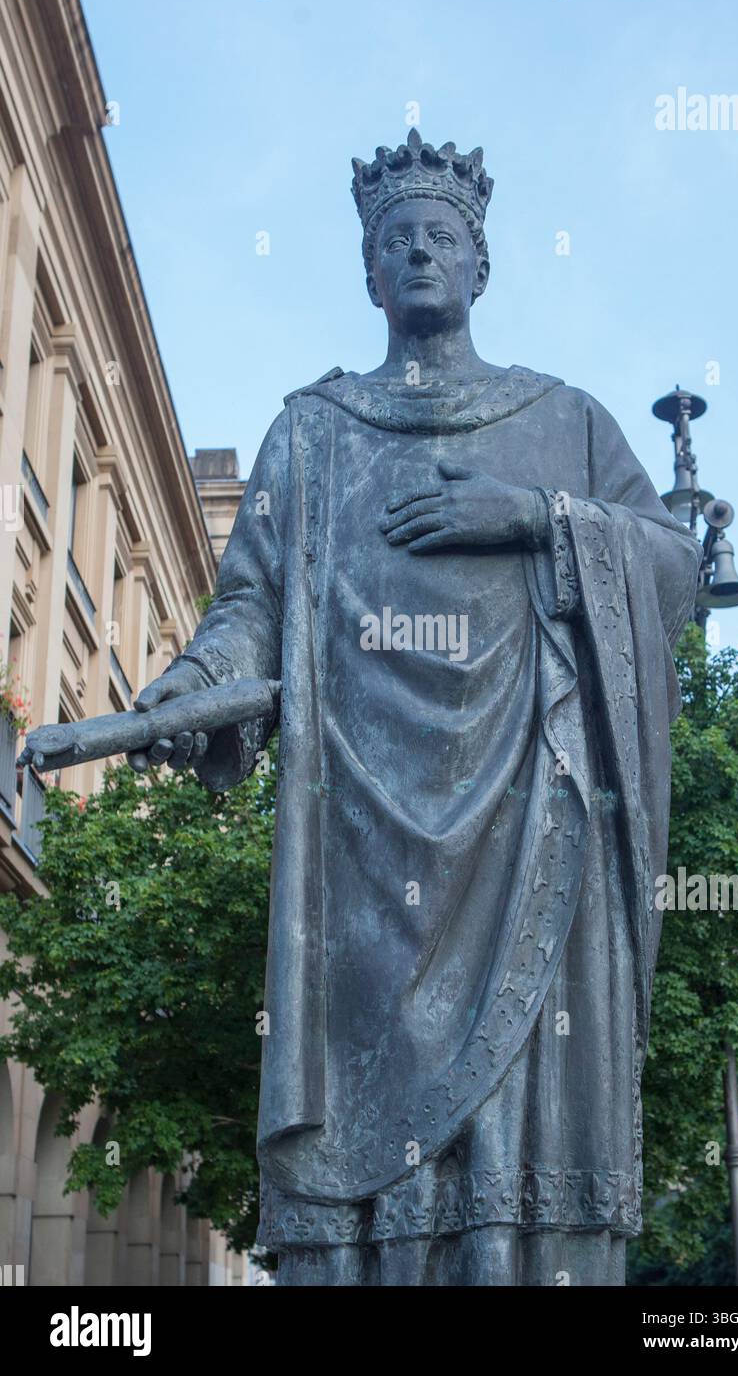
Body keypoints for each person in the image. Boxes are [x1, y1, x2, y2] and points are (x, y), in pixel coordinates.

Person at [128, 130, 701, 1286]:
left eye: (442, 237)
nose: (420, 255)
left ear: (481, 266)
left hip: (533, 825)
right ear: (369, 275)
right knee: (360, 1142)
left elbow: (676, 565)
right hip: (356, 854)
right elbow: (249, 604)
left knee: (521, 1158)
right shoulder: (312, 432)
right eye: (397, 241)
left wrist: (537, 516)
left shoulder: (567, 421)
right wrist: (193, 686)